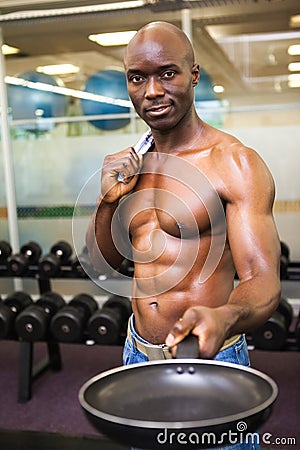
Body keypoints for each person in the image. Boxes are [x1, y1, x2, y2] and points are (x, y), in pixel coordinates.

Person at [86, 21, 281, 450]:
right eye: (138, 78)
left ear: (194, 74)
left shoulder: (235, 163)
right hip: (137, 355)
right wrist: (107, 202)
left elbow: (263, 280)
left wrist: (224, 315)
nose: (152, 90)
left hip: (210, 360)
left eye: (167, 73)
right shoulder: (131, 164)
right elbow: (106, 264)